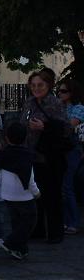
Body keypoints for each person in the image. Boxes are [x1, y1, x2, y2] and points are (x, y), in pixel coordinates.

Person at [20, 69, 67, 243]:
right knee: (35, 195)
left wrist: (44, 127)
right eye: (33, 85)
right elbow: (22, 124)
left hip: (50, 157)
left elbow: (65, 129)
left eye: (40, 85)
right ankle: (37, 229)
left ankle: (55, 233)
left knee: (52, 195)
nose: (36, 88)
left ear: (48, 85)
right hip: (32, 155)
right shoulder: (29, 102)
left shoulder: (54, 103)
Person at [0, 122, 40, 259]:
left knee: (16, 221)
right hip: (24, 195)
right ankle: (11, 242)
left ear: (7, 138)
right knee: (29, 220)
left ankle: (21, 249)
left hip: (7, 194)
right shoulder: (26, 155)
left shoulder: (3, 153)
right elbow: (29, 177)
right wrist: (36, 192)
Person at [58, 79, 83, 234]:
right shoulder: (60, 107)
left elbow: (70, 125)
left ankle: (73, 222)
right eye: (59, 91)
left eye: (64, 91)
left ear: (72, 93)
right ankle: (67, 221)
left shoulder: (78, 108)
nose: (60, 93)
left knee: (67, 186)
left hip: (73, 149)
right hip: (62, 149)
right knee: (63, 187)